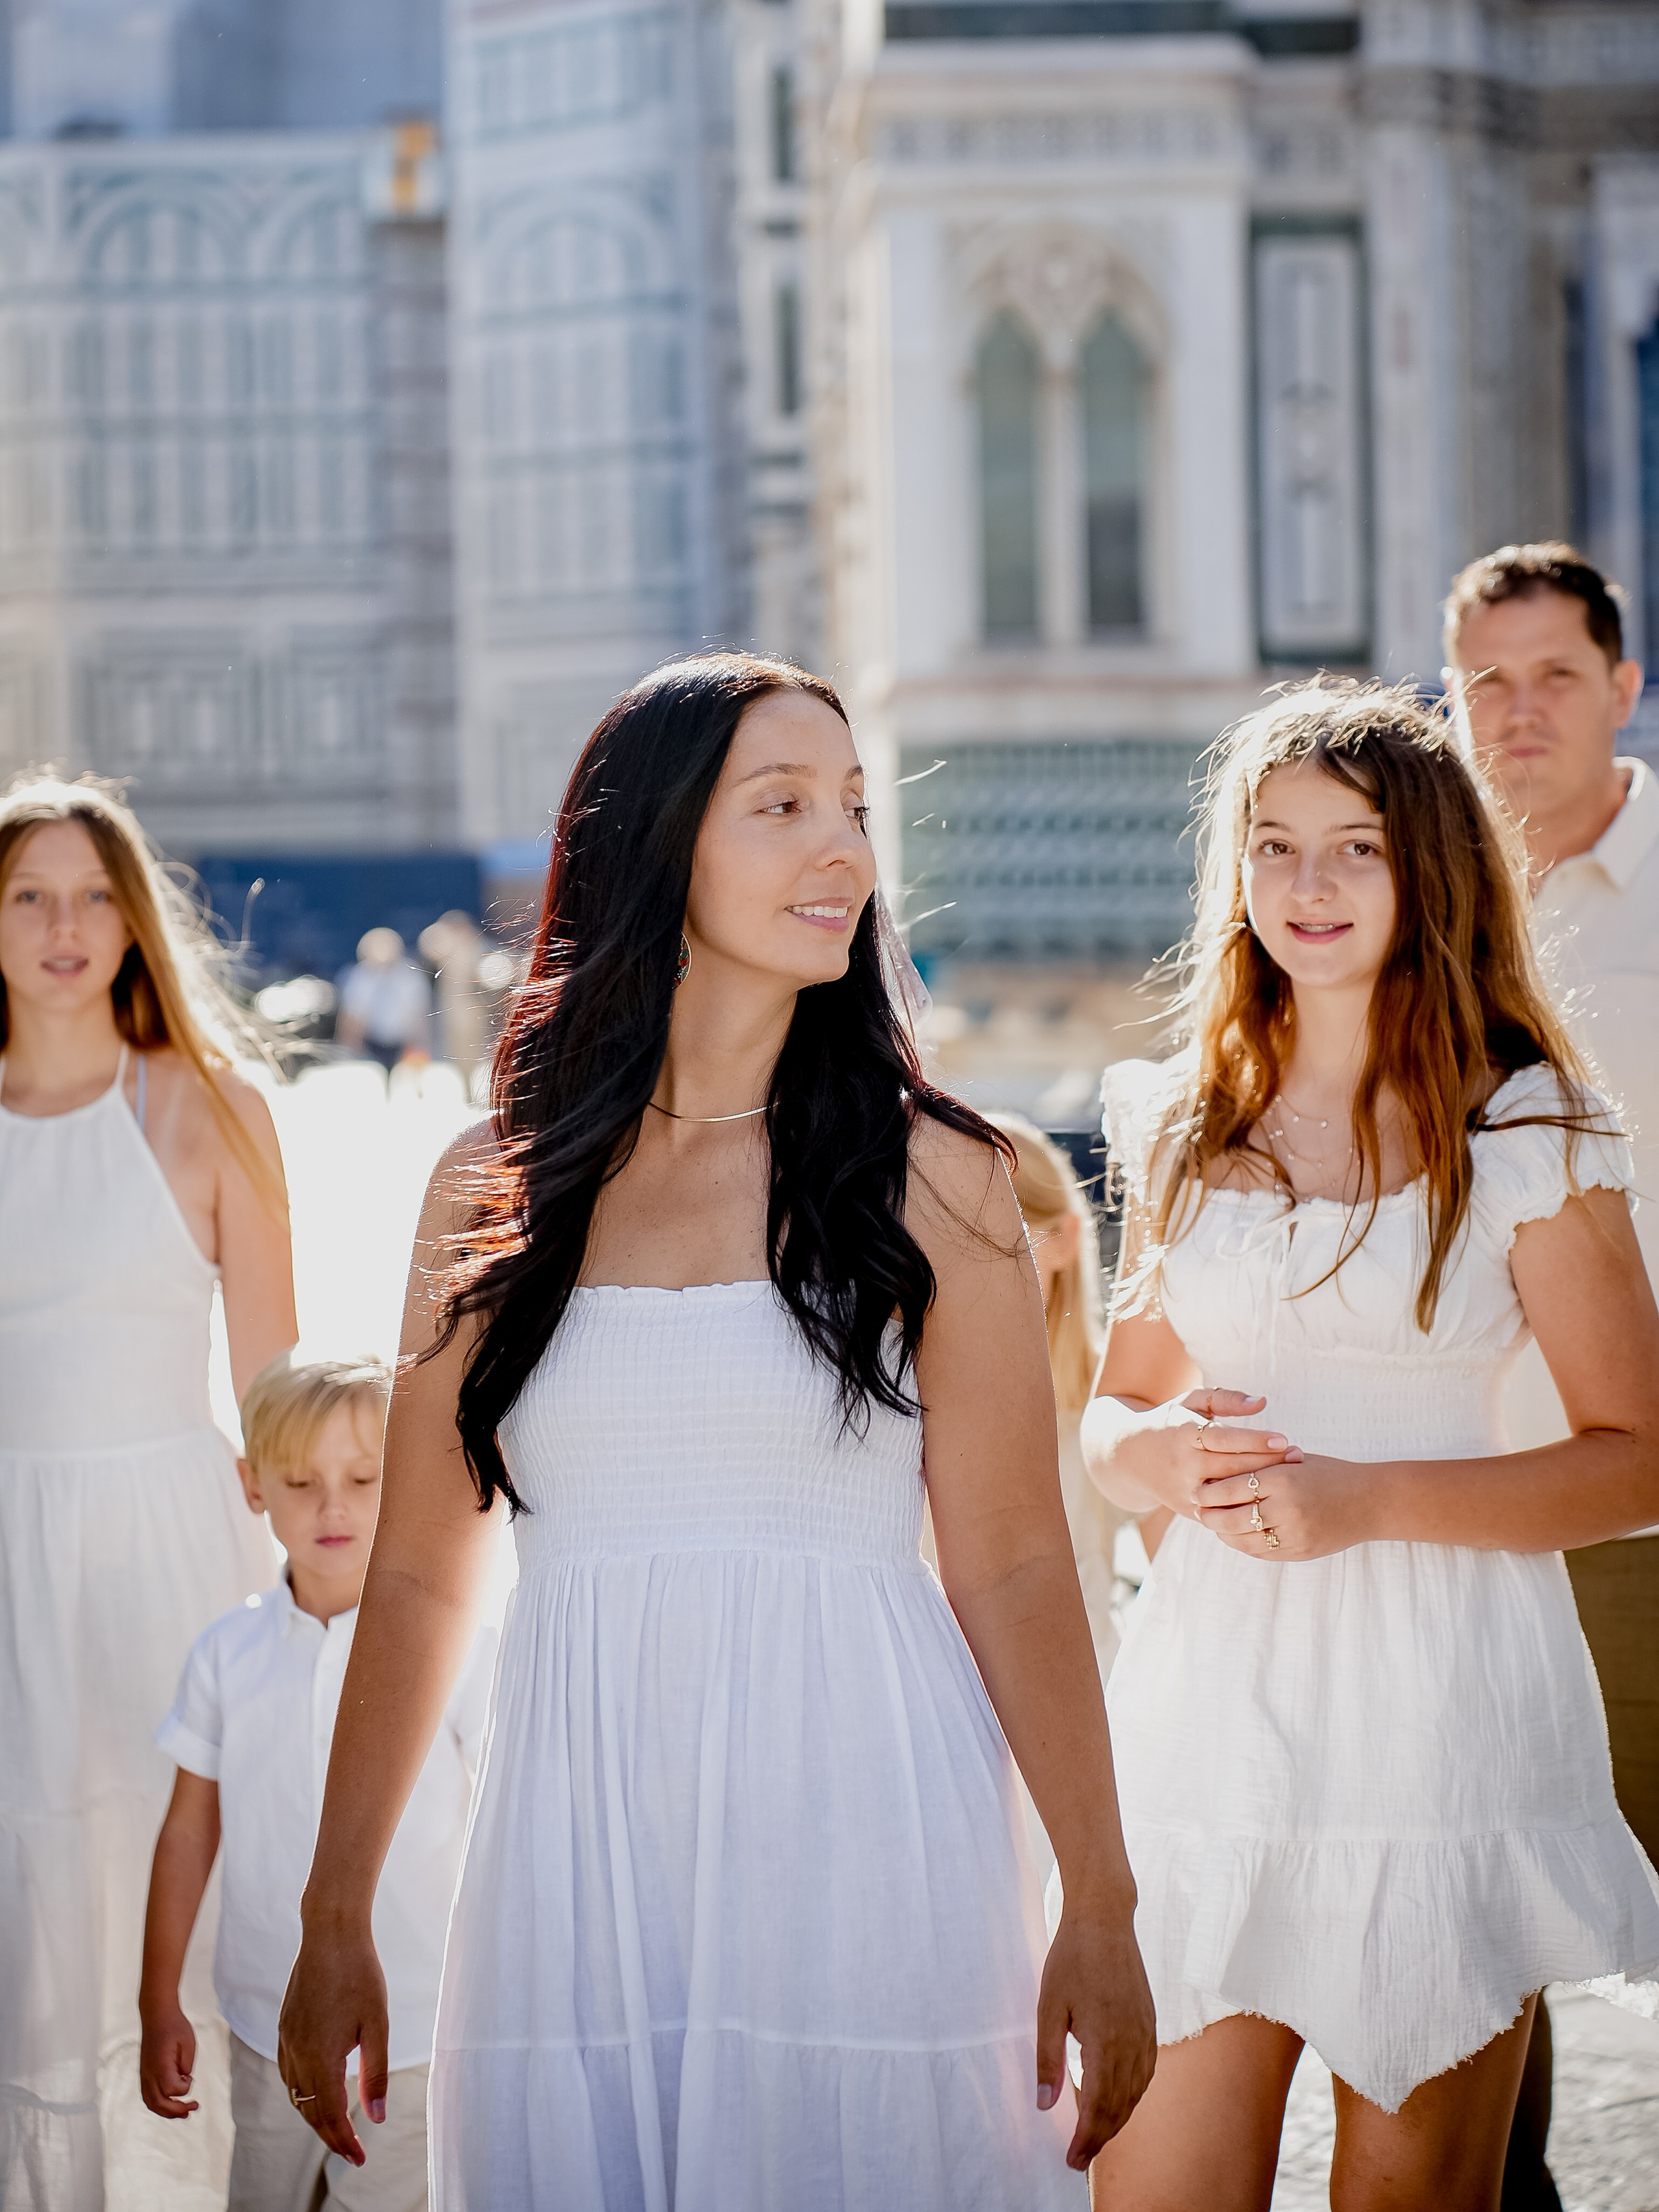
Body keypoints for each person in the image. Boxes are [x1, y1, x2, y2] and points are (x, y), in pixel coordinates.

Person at [277, 652, 1155, 2209]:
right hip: (573, 1851)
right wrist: (334, 1904)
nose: (845, 850)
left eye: (855, 807)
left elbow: (1015, 1562)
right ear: (657, 845)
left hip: (870, 1836)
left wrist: (1098, 1891)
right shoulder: (494, 1176)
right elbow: (418, 1576)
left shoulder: (938, 1176)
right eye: (783, 805)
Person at [1075, 682, 1659, 2211]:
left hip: (1444, 1699)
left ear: (1431, 873)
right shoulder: (1179, 1120)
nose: (1309, 886)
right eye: (1273, 847)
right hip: (1209, 1698)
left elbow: (1634, 1451)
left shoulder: (1525, 1124)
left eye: (1353, 849)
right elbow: (1111, 1402)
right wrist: (1141, 1458)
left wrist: (1363, 1498)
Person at [0, 772, 297, 2211]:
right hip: (7, 1564)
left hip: (167, 1554)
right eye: (30, 895)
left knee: (165, 1874)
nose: (67, 926)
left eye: (95, 894)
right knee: (30, 1898)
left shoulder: (213, 1109)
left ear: (136, 918)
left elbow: (280, 1397)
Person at [1444, 540, 1659, 2206]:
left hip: (1651, 1510)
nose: (1517, 713)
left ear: (1622, 689)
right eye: (1483, 682)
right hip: (1468, 1500)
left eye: (1552, 677)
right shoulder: (1402, 914)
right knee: (1469, 1942)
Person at [139, 1350, 496, 2212]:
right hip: (264, 2028)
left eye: (365, 1478)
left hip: (412, 2037)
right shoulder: (228, 1653)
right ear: (252, 1484)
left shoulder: (461, 1654)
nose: (333, 1507)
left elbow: (500, 1828)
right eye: (300, 1482)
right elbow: (190, 1829)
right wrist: (157, 1998)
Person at [993, 1112, 1122, 1679]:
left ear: (1066, 1239)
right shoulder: (892, 1396)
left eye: (1002, 1235)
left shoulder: (1117, 1398)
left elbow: (1178, 1563)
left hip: (1084, 1694)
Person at [336, 930, 430, 1075]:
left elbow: (418, 1015)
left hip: (402, 1042)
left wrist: (418, 1047)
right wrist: (350, 1051)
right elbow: (351, 1018)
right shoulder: (359, 978)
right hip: (371, 1042)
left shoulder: (411, 978)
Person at [417, 912, 488, 1094]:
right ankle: (466, 1088)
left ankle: (472, 1087)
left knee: (471, 1049)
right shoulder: (447, 949)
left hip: (471, 1007)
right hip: (450, 1008)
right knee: (455, 1051)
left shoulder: (475, 947)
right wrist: (442, 931)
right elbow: (427, 946)